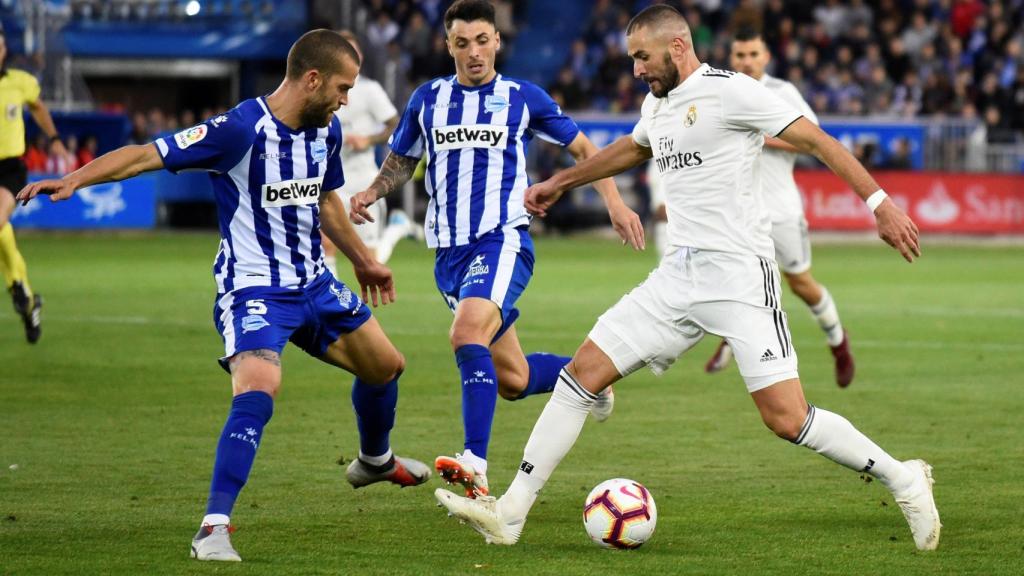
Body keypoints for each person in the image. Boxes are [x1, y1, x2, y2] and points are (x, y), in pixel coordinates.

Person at [433, 6, 940, 552]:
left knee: (786, 418)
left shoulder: (731, 92)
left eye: (642, 57)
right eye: (632, 60)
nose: (635, 71)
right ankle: (509, 514)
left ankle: (903, 477)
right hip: (677, 276)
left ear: (677, 47)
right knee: (580, 376)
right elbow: (633, 147)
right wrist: (563, 180)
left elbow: (818, 141)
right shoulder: (658, 103)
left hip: (741, 279)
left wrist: (880, 204)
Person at [18, 30, 430, 562]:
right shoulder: (239, 130)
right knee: (260, 386)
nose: (347, 100)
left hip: (314, 284)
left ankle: (374, 459)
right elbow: (147, 154)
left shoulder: (323, 131)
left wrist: (365, 261)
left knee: (386, 367)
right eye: (343, 88)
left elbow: (325, 200)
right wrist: (75, 179)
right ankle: (213, 528)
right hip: (253, 288)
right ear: (312, 79)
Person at [350, 0, 644, 499]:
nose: (474, 52)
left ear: (497, 42)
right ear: (448, 46)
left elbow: (582, 151)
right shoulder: (428, 100)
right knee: (513, 378)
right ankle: (590, 375)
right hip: (448, 254)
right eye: (462, 43)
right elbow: (402, 160)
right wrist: (371, 192)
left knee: (466, 335)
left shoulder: (521, 98)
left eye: (482, 40)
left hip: (502, 239)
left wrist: (614, 202)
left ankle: (476, 462)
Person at [701, 28, 854, 387]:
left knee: (800, 283)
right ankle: (735, 341)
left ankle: (838, 342)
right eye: (740, 55)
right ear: (731, 57)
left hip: (781, 209)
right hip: (739, 211)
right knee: (736, 278)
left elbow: (814, 141)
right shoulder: (721, 92)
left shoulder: (782, 93)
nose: (747, 62)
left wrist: (762, 134)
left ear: (766, 56)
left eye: (754, 54)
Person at [321, 30, 411, 273]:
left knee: (369, 260)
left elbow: (396, 124)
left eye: (354, 51)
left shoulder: (369, 89)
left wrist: (368, 140)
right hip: (332, 179)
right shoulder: (322, 90)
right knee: (325, 243)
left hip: (362, 178)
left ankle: (394, 231)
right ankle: (332, 304)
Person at [0, 26, 64, 343]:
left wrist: (53, 139)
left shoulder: (20, 82)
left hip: (9, 167)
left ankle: (20, 289)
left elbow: (38, 108)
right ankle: (24, 295)